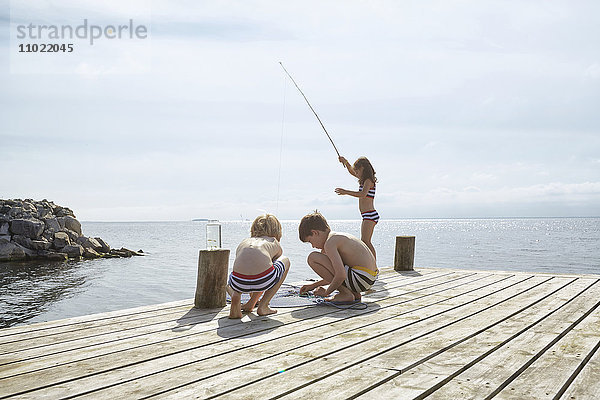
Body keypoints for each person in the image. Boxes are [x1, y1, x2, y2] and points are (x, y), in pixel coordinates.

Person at [298, 211, 378, 303]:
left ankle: (345, 294)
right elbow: (335, 273)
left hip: (360, 279)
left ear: (315, 233)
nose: (312, 246)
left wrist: (326, 292)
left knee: (312, 257)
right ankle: (353, 293)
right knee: (322, 258)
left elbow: (341, 275)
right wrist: (314, 285)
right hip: (367, 279)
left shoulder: (329, 243)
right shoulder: (336, 237)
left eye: (310, 241)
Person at [226, 214, 290, 319]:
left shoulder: (244, 242)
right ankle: (263, 306)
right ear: (277, 231)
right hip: (263, 279)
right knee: (284, 261)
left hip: (239, 283)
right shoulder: (273, 241)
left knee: (230, 282)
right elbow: (268, 267)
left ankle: (237, 297)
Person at [335, 156, 379, 260]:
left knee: (366, 241)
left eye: (357, 171)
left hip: (370, 215)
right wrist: (345, 162)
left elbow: (363, 194)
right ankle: (372, 264)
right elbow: (351, 171)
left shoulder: (369, 180)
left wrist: (346, 192)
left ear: (363, 168)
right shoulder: (364, 180)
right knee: (365, 241)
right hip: (366, 215)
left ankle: (374, 265)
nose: (356, 174)